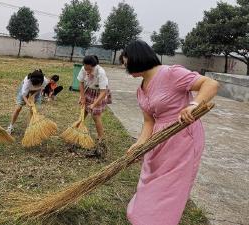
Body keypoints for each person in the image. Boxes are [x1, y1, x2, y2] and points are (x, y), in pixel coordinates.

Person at [122, 40, 219, 225]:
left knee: (169, 189)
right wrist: (140, 145)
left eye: (126, 63)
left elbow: (211, 84)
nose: (125, 68)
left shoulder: (171, 73)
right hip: (158, 141)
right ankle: (142, 218)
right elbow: (149, 121)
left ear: (136, 58)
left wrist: (193, 105)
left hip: (182, 138)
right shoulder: (140, 90)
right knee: (150, 181)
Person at [77, 55, 111, 157]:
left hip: (99, 93)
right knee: (83, 112)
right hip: (89, 90)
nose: (87, 70)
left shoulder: (101, 73)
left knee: (96, 116)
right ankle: (77, 131)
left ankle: (101, 138)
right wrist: (82, 97)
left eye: (89, 68)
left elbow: (103, 92)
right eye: (85, 68)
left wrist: (94, 104)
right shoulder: (84, 68)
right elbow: (81, 83)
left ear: (94, 66)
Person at [7, 69, 49, 134]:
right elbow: (24, 95)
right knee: (18, 108)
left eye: (37, 85)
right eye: (34, 85)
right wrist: (28, 103)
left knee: (32, 110)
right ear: (31, 81)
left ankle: (30, 127)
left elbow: (41, 88)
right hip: (26, 91)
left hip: (36, 92)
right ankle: (10, 126)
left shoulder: (45, 81)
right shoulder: (27, 81)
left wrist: (33, 95)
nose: (35, 86)